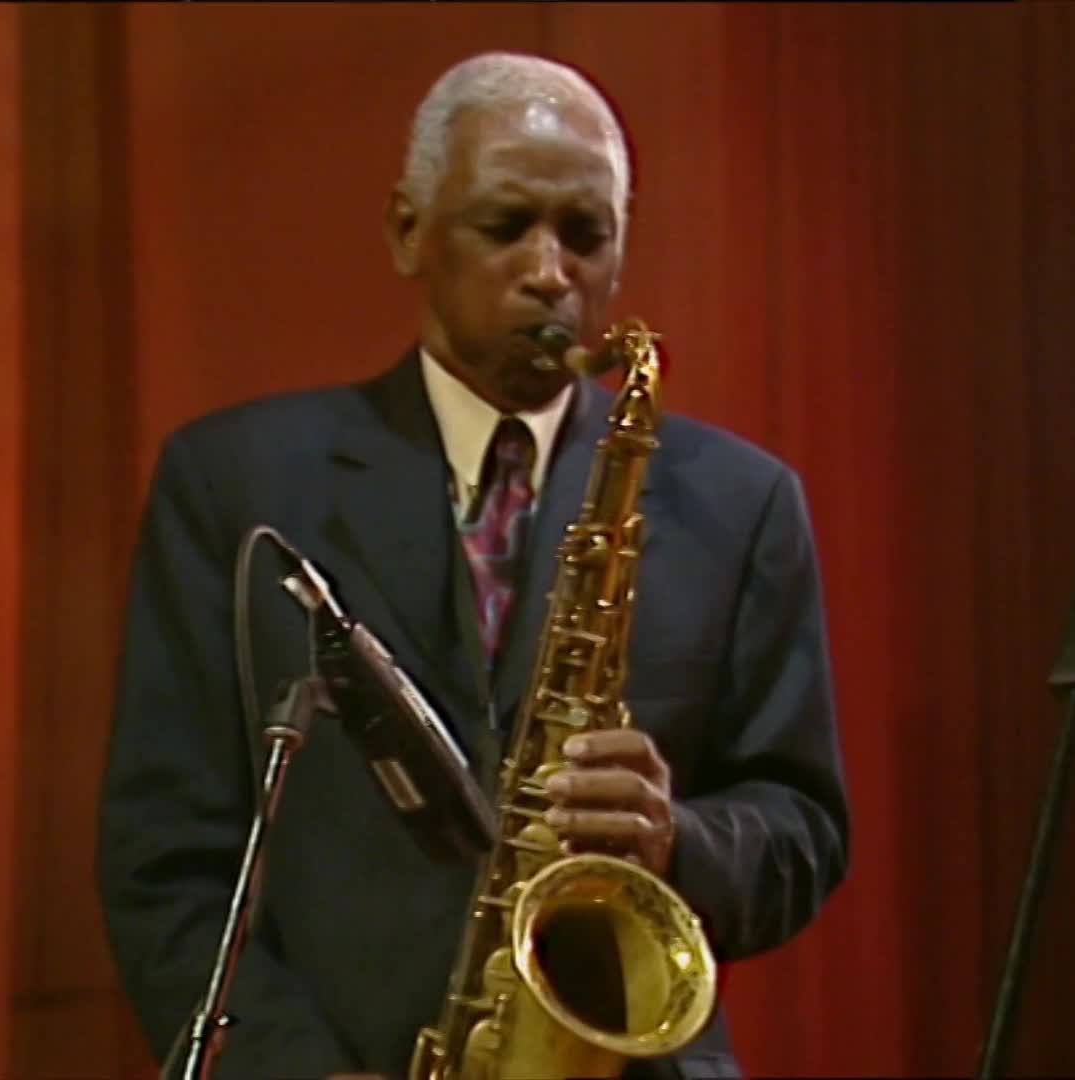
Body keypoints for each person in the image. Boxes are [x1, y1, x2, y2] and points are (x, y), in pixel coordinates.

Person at [96, 51, 850, 1080]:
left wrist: (675, 836)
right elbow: (165, 859)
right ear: (408, 231)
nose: (551, 271)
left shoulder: (744, 503)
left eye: (587, 236)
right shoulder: (233, 485)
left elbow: (804, 828)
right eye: (507, 227)